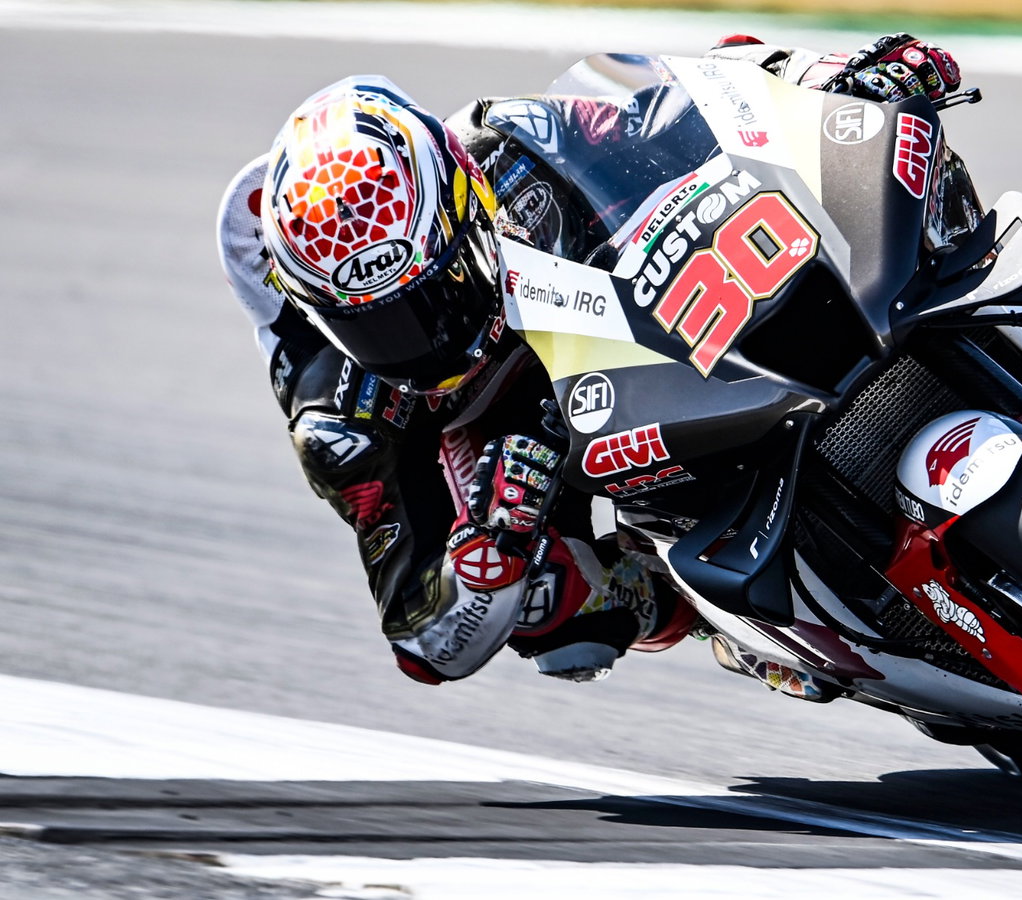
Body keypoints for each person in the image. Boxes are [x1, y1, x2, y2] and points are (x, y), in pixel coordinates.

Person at [214, 34, 976, 686]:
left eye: (434, 291)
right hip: (515, 442)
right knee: (557, 629)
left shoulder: (505, 144)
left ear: (458, 202)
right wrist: (494, 541)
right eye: (383, 326)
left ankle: (1003, 328)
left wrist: (826, 76)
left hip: (665, 308)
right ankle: (700, 607)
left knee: (884, 173)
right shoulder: (341, 417)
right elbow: (425, 641)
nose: (426, 335)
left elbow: (707, 87)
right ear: (324, 315)